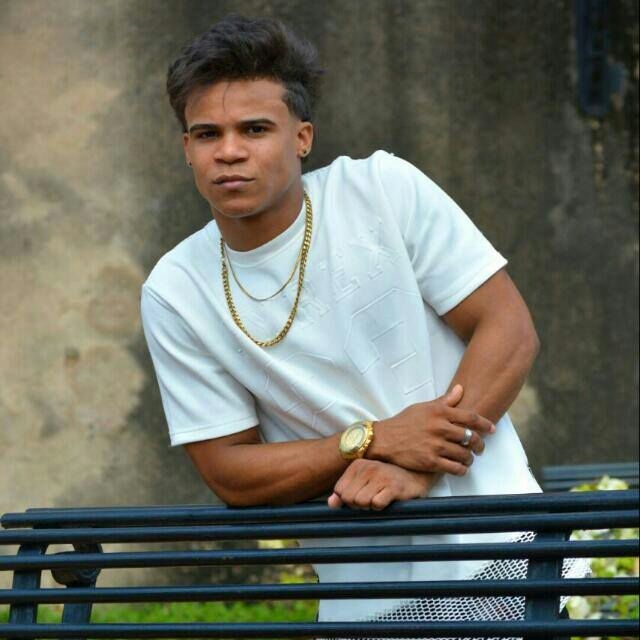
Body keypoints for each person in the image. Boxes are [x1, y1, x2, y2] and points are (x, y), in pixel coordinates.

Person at [141, 13, 566, 627]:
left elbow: (506, 328)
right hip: (366, 594)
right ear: (187, 149)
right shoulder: (176, 289)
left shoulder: (380, 190)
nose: (229, 152)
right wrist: (371, 440)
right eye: (207, 134)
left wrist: (415, 463)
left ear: (302, 137)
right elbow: (230, 471)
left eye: (255, 129)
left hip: (503, 553)